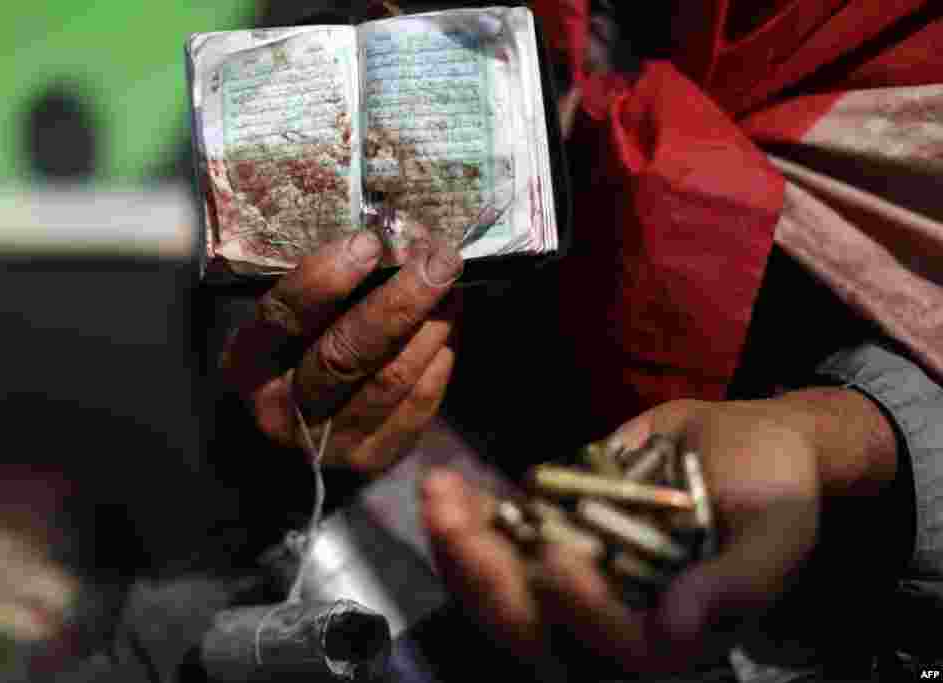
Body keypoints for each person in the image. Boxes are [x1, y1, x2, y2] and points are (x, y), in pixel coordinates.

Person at [223, 0, 943, 680]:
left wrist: (841, 443)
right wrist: (281, 364)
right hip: (320, 561)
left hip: (805, 623)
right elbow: (278, 112)